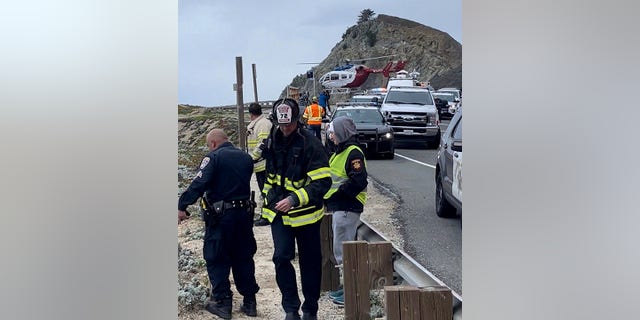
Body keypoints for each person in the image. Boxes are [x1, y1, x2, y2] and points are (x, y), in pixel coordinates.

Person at [259, 98, 332, 320]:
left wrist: (294, 199)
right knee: (281, 258)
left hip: (306, 215)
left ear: (296, 121)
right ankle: (291, 308)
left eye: (289, 125)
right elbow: (269, 176)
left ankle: (311, 309)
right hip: (280, 214)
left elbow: (322, 181)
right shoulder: (272, 141)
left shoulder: (311, 143)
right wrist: (269, 198)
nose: (285, 129)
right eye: (281, 125)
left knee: (310, 262)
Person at [178, 129, 260, 319]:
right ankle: (250, 302)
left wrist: (182, 205)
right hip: (244, 214)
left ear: (213, 143)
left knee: (216, 256)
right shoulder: (245, 158)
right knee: (243, 256)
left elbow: (199, 183)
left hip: (222, 216)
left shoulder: (213, 158)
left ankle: (222, 302)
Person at [322, 116, 368, 306]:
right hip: (340, 208)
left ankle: (350, 291)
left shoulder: (352, 152)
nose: (331, 136)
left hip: (347, 207)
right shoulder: (339, 152)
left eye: (333, 132)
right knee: (340, 249)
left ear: (341, 132)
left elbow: (358, 180)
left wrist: (337, 196)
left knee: (343, 251)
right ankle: (346, 286)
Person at [246, 102, 273, 227]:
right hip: (260, 164)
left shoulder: (262, 125)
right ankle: (266, 214)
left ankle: (267, 216)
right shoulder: (260, 124)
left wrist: (252, 158)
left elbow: (263, 143)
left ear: (251, 114)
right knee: (264, 191)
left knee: (266, 191)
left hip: (263, 164)